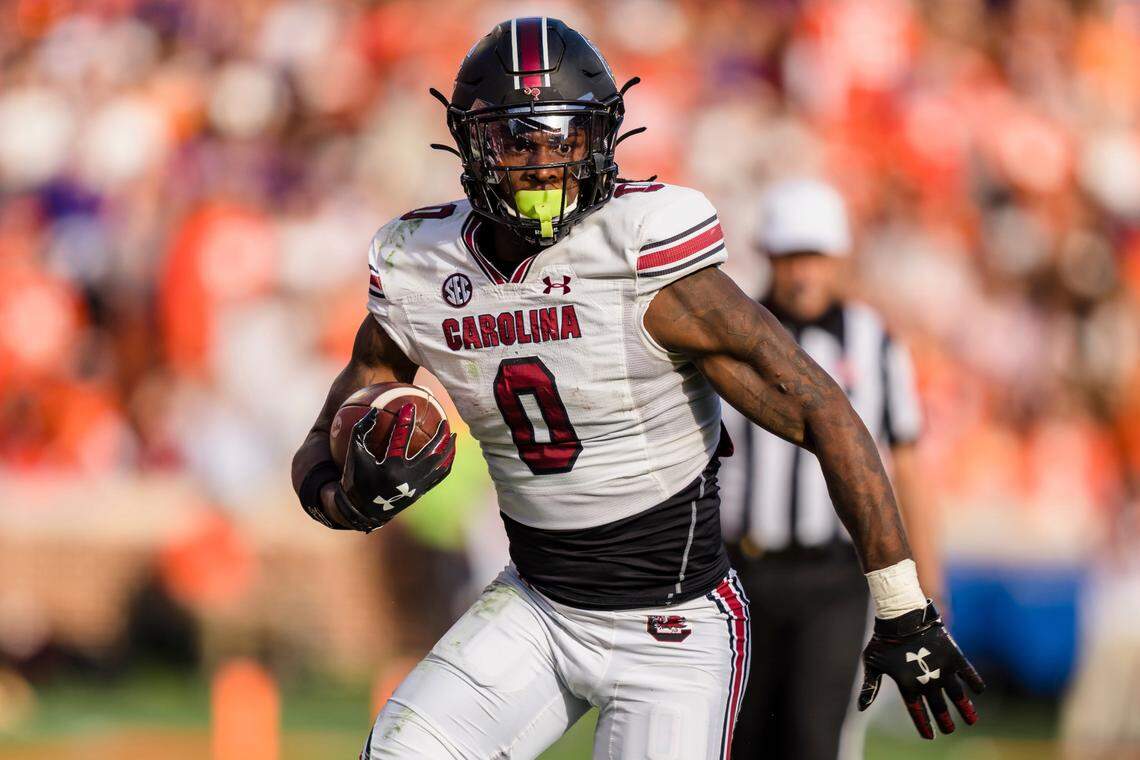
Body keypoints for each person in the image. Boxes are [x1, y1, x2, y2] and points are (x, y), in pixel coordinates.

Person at [290, 18, 983, 760]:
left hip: (671, 628)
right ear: (473, 144)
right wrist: (344, 497)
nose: (546, 164)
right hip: (538, 602)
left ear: (603, 140)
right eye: (519, 139)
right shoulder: (422, 267)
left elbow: (823, 410)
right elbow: (326, 433)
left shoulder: (642, 253)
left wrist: (904, 609)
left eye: (567, 140)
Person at [719, 178, 943, 760]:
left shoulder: (877, 342)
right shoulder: (732, 335)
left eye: (813, 256)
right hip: (741, 573)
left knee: (816, 738)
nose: (801, 273)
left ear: (838, 259)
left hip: (837, 579)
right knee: (736, 740)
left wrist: (925, 591)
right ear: (768, 254)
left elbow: (909, 469)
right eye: (790, 256)